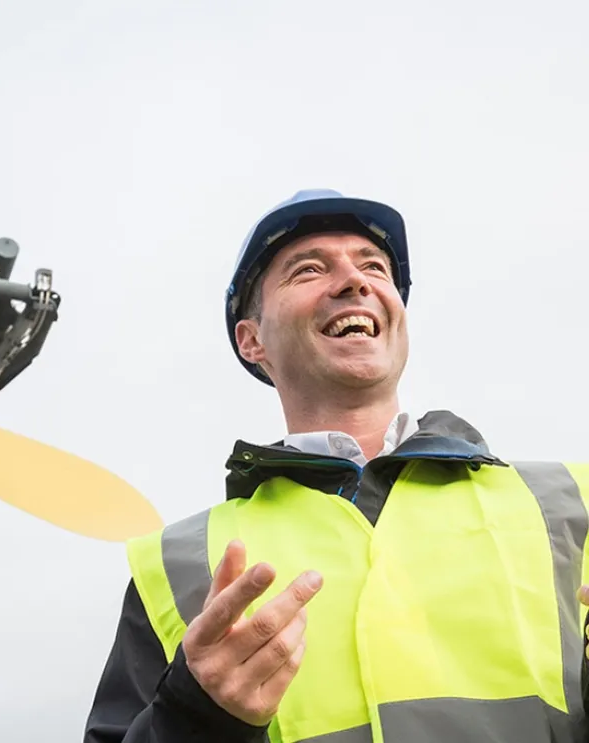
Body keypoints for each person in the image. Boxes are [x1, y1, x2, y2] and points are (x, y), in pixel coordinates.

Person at [83, 188, 589, 743]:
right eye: (307, 270)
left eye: (373, 266)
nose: (355, 281)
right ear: (252, 341)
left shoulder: (569, 502)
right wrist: (196, 718)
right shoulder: (175, 565)